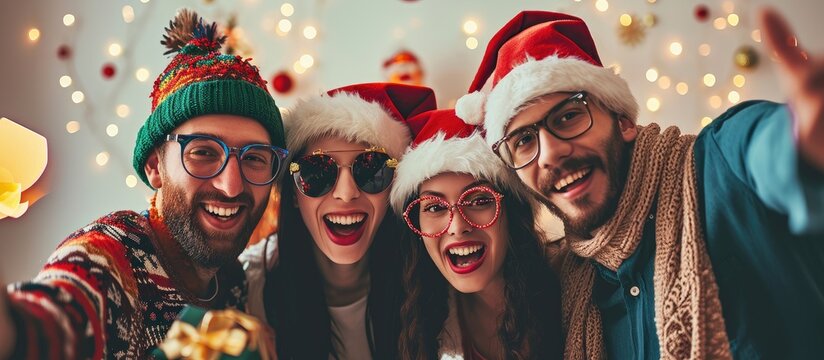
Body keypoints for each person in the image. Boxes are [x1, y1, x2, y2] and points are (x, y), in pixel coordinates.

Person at [455, 9, 824, 360]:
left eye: (568, 116)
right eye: (523, 141)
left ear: (623, 122)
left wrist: (802, 138)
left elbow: (769, 152)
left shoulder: (717, 167)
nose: (550, 153)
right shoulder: (566, 285)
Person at [0, 10, 287, 359]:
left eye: (254, 158)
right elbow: (56, 322)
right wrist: (15, 329)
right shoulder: (110, 259)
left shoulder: (236, 282)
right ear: (155, 167)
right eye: (202, 153)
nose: (230, 186)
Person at [240, 82, 436, 359]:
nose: (346, 194)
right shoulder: (249, 290)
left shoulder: (429, 280)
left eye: (371, 169)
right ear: (294, 193)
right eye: (317, 172)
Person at [389, 109, 563, 359]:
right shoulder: (418, 326)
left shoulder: (570, 289)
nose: (457, 226)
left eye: (479, 201)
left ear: (511, 212)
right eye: (435, 207)